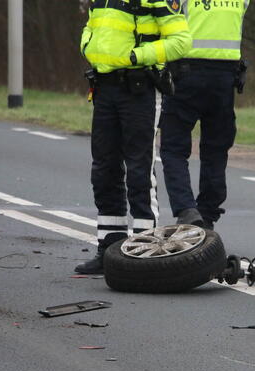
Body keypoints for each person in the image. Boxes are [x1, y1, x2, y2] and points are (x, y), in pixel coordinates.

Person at [75, 0, 192, 275]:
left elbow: (181, 41)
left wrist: (135, 57)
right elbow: (92, 28)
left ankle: (144, 250)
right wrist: (87, 47)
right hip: (104, 85)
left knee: (139, 170)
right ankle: (109, 248)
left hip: (140, 89)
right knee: (103, 169)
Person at [158, 0, 249, 230]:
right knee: (216, 149)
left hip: (186, 75)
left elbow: (163, 20)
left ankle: (187, 209)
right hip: (225, 78)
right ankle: (207, 214)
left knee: (173, 147)